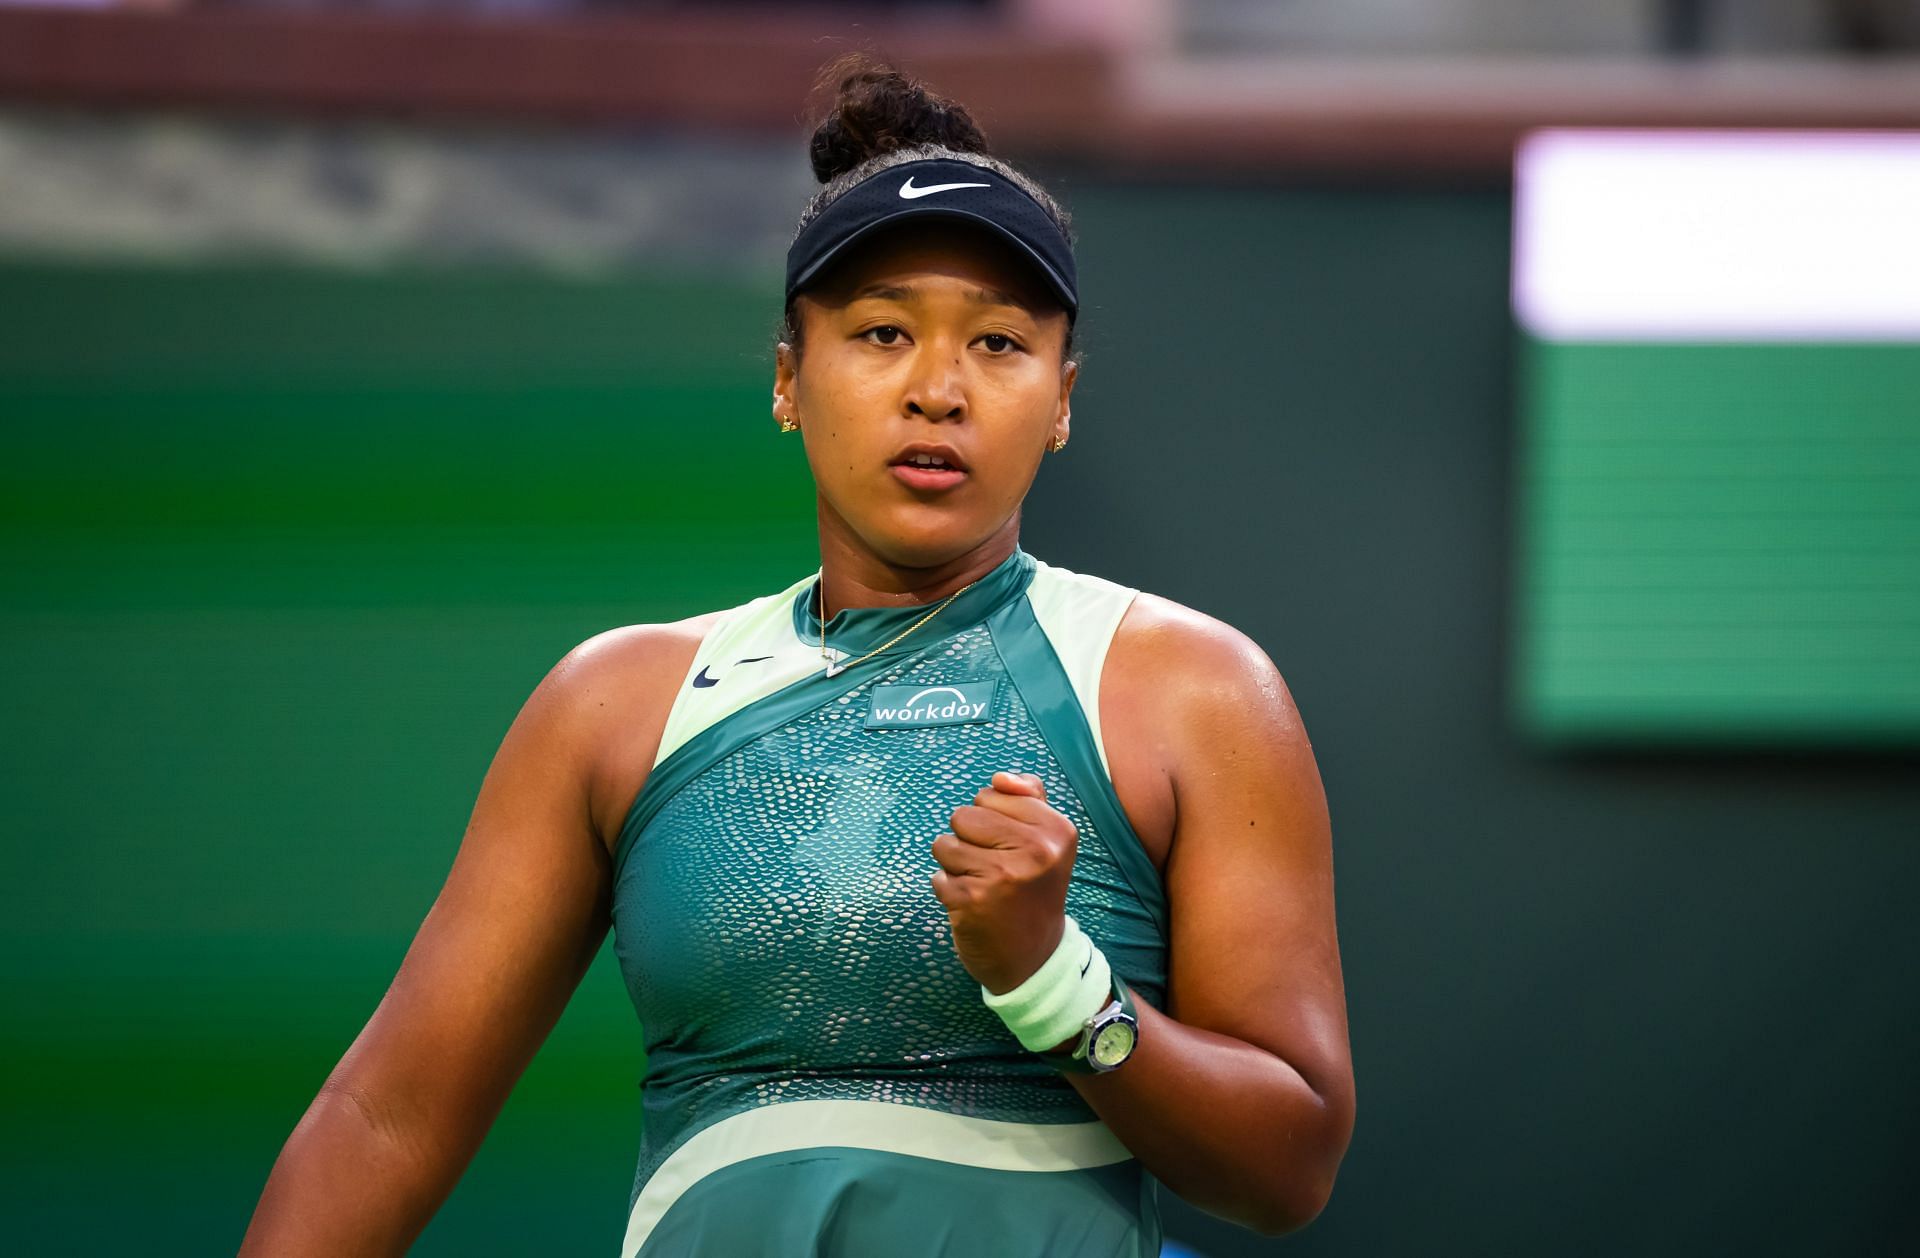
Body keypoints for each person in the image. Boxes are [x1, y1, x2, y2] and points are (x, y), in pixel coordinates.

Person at [239, 54, 1354, 1258]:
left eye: (999, 345)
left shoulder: (1193, 689)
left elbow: (1287, 1164)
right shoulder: (613, 707)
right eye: (882, 332)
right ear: (787, 376)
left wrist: (1056, 983)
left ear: (1064, 397)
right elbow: (384, 1118)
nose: (939, 389)